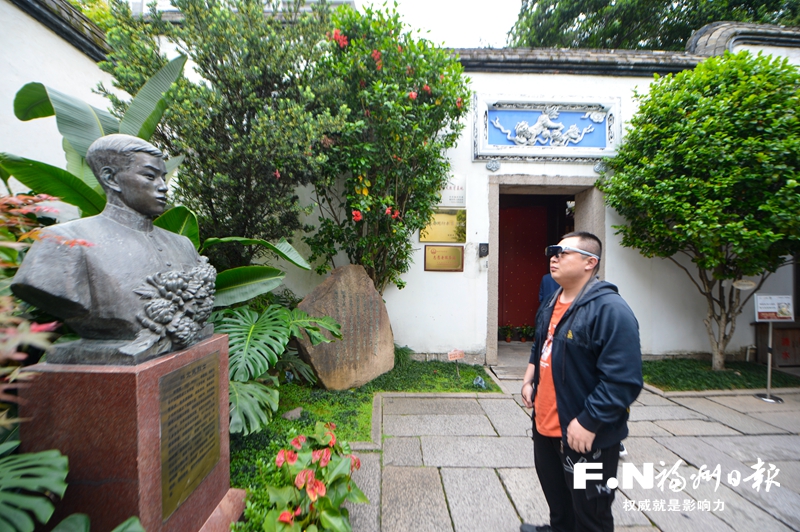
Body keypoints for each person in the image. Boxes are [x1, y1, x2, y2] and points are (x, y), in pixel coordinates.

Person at [12, 135, 215, 364]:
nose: (163, 186)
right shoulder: (63, 242)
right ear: (111, 179)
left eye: (163, 176)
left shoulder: (182, 244)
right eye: (150, 176)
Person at [520, 231, 642, 532]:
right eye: (553, 251)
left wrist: (589, 421)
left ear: (590, 262)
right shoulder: (552, 301)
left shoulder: (611, 310)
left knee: (591, 515)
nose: (554, 257)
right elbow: (541, 344)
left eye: (563, 252)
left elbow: (623, 380)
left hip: (585, 435)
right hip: (546, 425)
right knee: (559, 504)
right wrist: (529, 379)